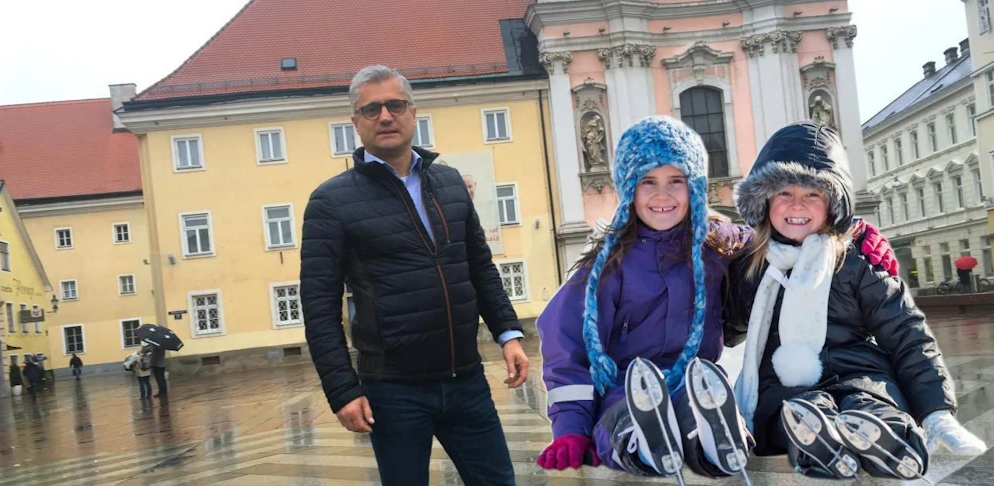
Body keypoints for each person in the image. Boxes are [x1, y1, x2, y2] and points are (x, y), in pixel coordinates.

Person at [536, 117, 897, 481]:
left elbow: (782, 235)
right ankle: (639, 439)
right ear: (629, 189)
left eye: (676, 181)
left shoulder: (718, 242)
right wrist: (570, 427)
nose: (663, 195)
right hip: (628, 386)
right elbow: (565, 343)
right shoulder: (608, 264)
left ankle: (717, 436)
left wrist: (848, 235)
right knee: (624, 413)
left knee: (698, 405)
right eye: (648, 182)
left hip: (698, 381)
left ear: (694, 186)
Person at [300, 65, 528, 486]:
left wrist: (508, 333)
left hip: (466, 378)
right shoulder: (331, 202)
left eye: (395, 105)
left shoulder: (450, 183)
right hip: (393, 390)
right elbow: (318, 306)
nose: (385, 116)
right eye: (371, 109)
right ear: (356, 123)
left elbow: (478, 266)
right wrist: (342, 390)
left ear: (413, 112)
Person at [726, 121, 986, 481]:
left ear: (833, 205)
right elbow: (729, 325)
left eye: (813, 194)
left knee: (869, 399)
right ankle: (815, 435)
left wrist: (936, 409)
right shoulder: (752, 265)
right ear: (765, 202)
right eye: (785, 192)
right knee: (793, 409)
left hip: (858, 370)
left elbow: (906, 332)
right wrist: (711, 262)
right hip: (782, 383)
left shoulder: (856, 259)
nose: (797, 204)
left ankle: (887, 436)